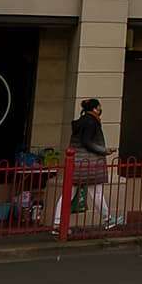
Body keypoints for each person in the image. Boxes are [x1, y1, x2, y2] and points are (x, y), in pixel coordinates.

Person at [53, 98, 117, 233]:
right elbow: (87, 142)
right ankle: (108, 219)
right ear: (94, 109)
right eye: (99, 107)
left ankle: (58, 223)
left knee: (68, 193)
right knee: (97, 192)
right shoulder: (91, 122)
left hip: (76, 162)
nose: (100, 109)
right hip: (89, 163)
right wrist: (104, 150)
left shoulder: (82, 121)